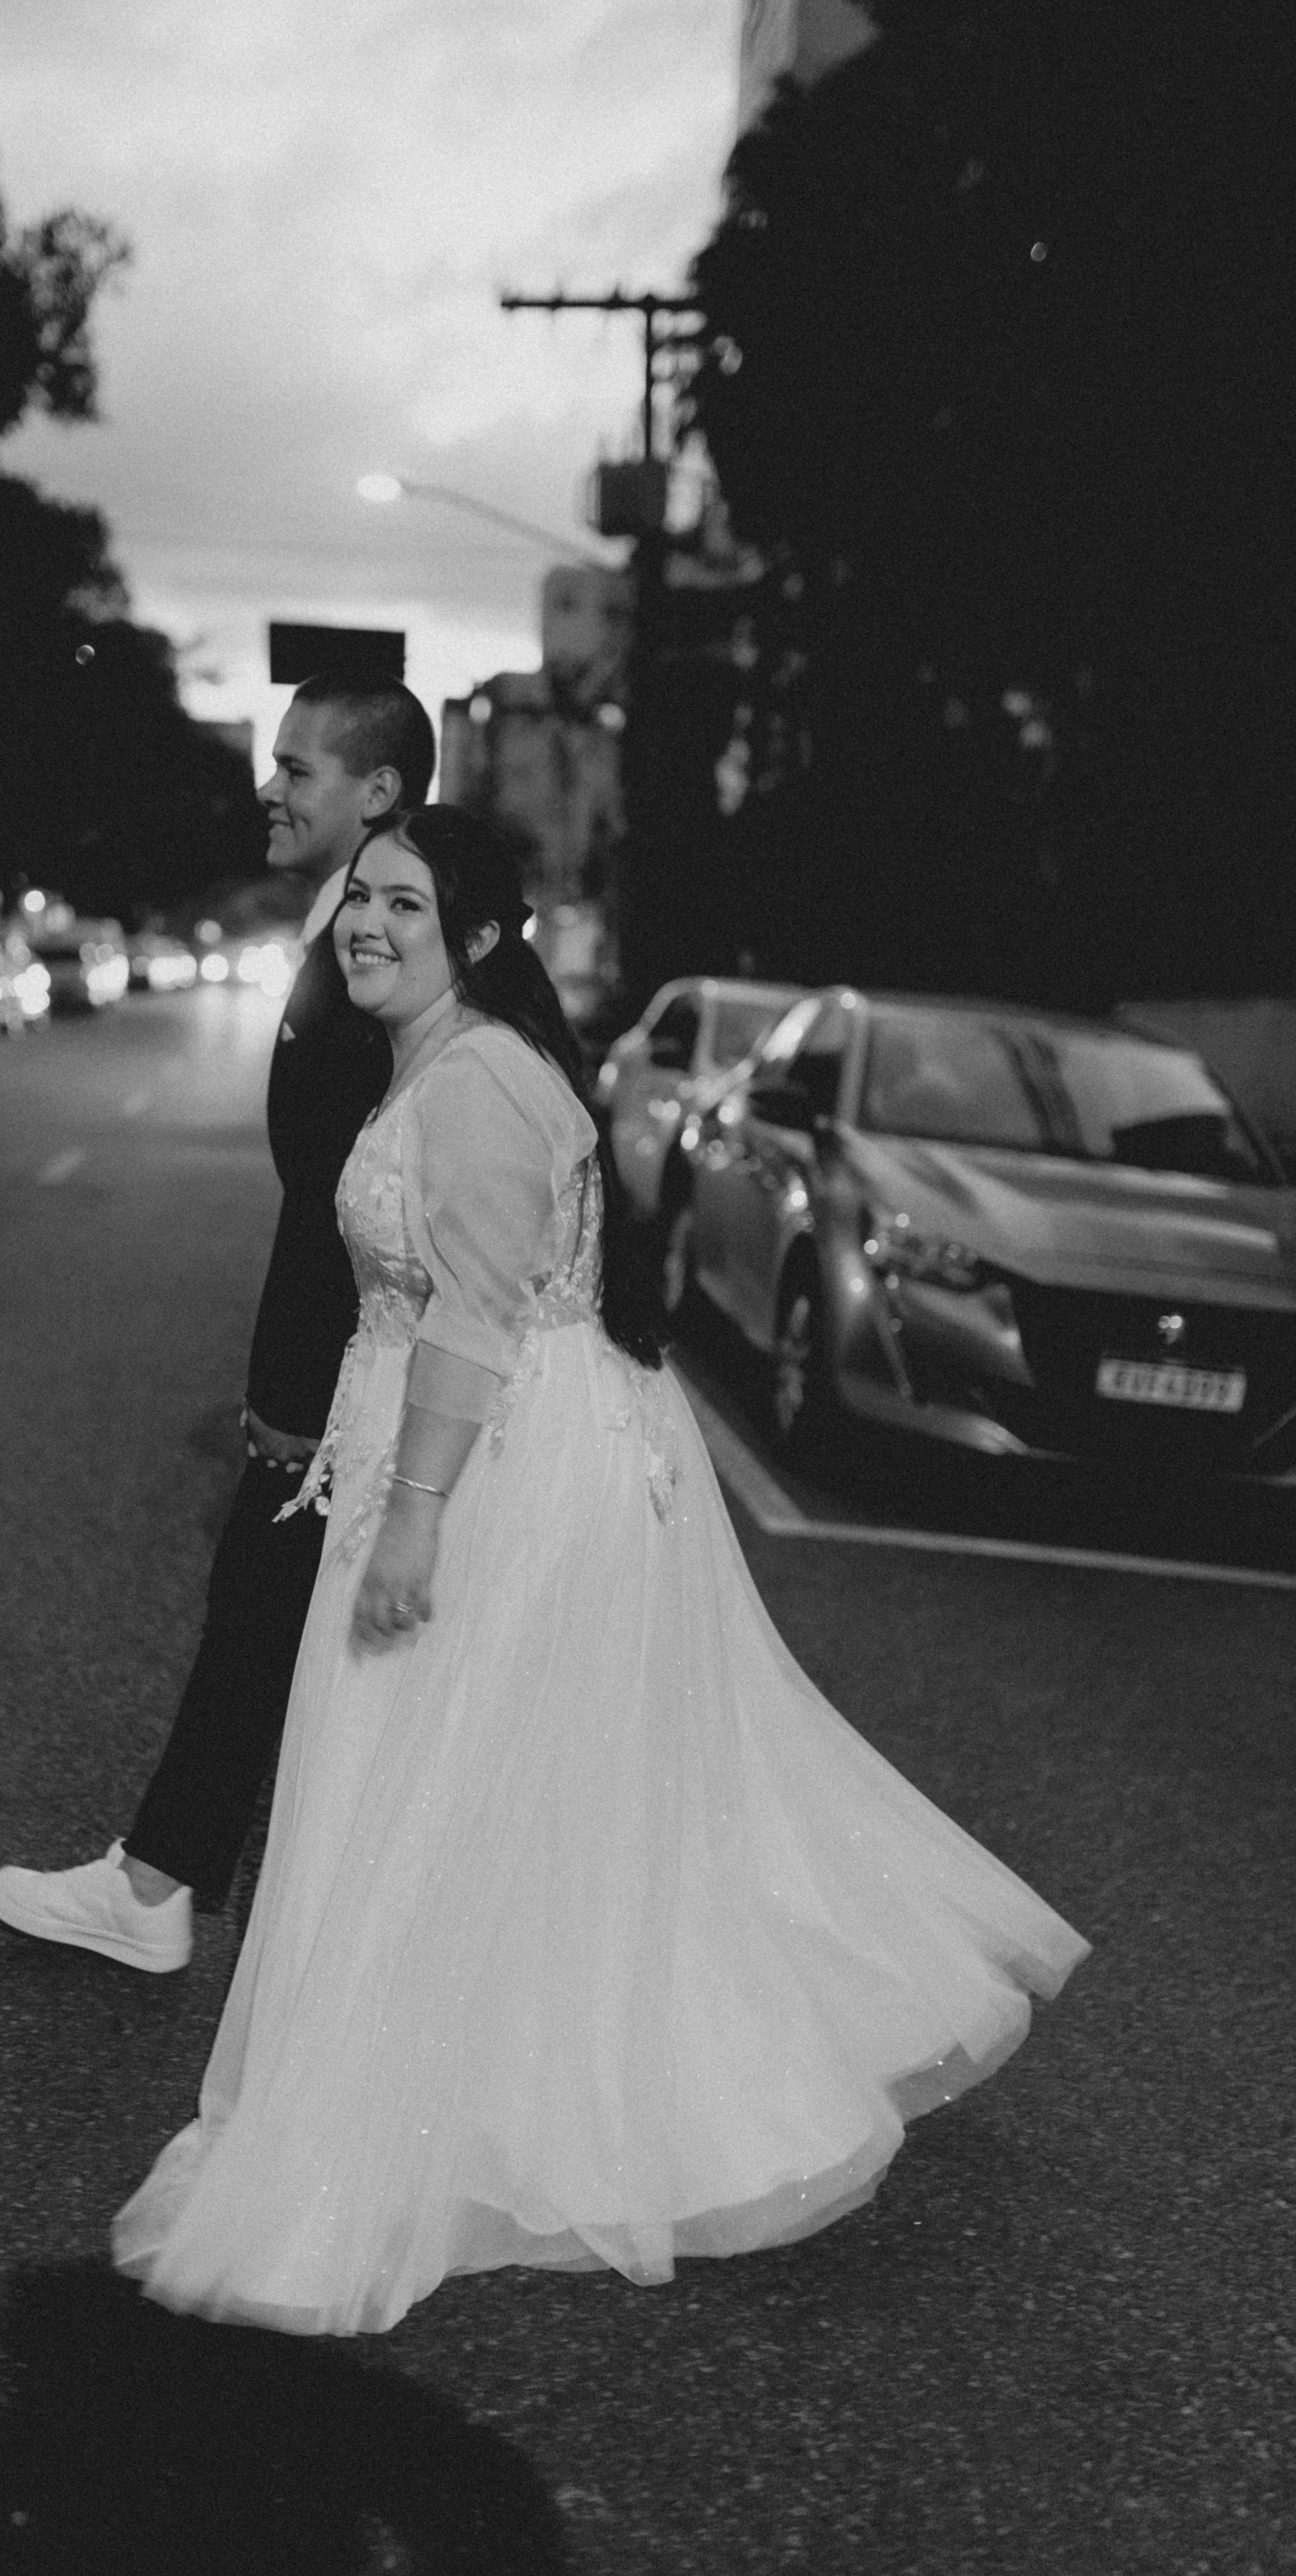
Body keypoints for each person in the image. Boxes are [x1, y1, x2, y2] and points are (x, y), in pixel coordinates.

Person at [112, 807, 1088, 2337]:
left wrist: (419, 1515)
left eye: (405, 904)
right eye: (356, 897)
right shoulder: (442, 1057)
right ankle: (459, 2077)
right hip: (471, 1451)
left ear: (482, 936)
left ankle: (432, 2119)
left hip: (497, 1472)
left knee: (425, 1785)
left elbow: (474, 1322)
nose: (365, 922)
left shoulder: (487, 1080)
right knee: (470, 1793)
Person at [0, 672, 435, 1971]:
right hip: (351, 1361)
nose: (271, 788)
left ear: (380, 791)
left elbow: (354, 1196)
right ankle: (163, 1879)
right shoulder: (367, 915)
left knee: (293, 1621)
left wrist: (298, 1399)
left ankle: (181, 1887)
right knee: (273, 1623)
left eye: (299, 768)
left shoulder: (387, 933)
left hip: (355, 1369)